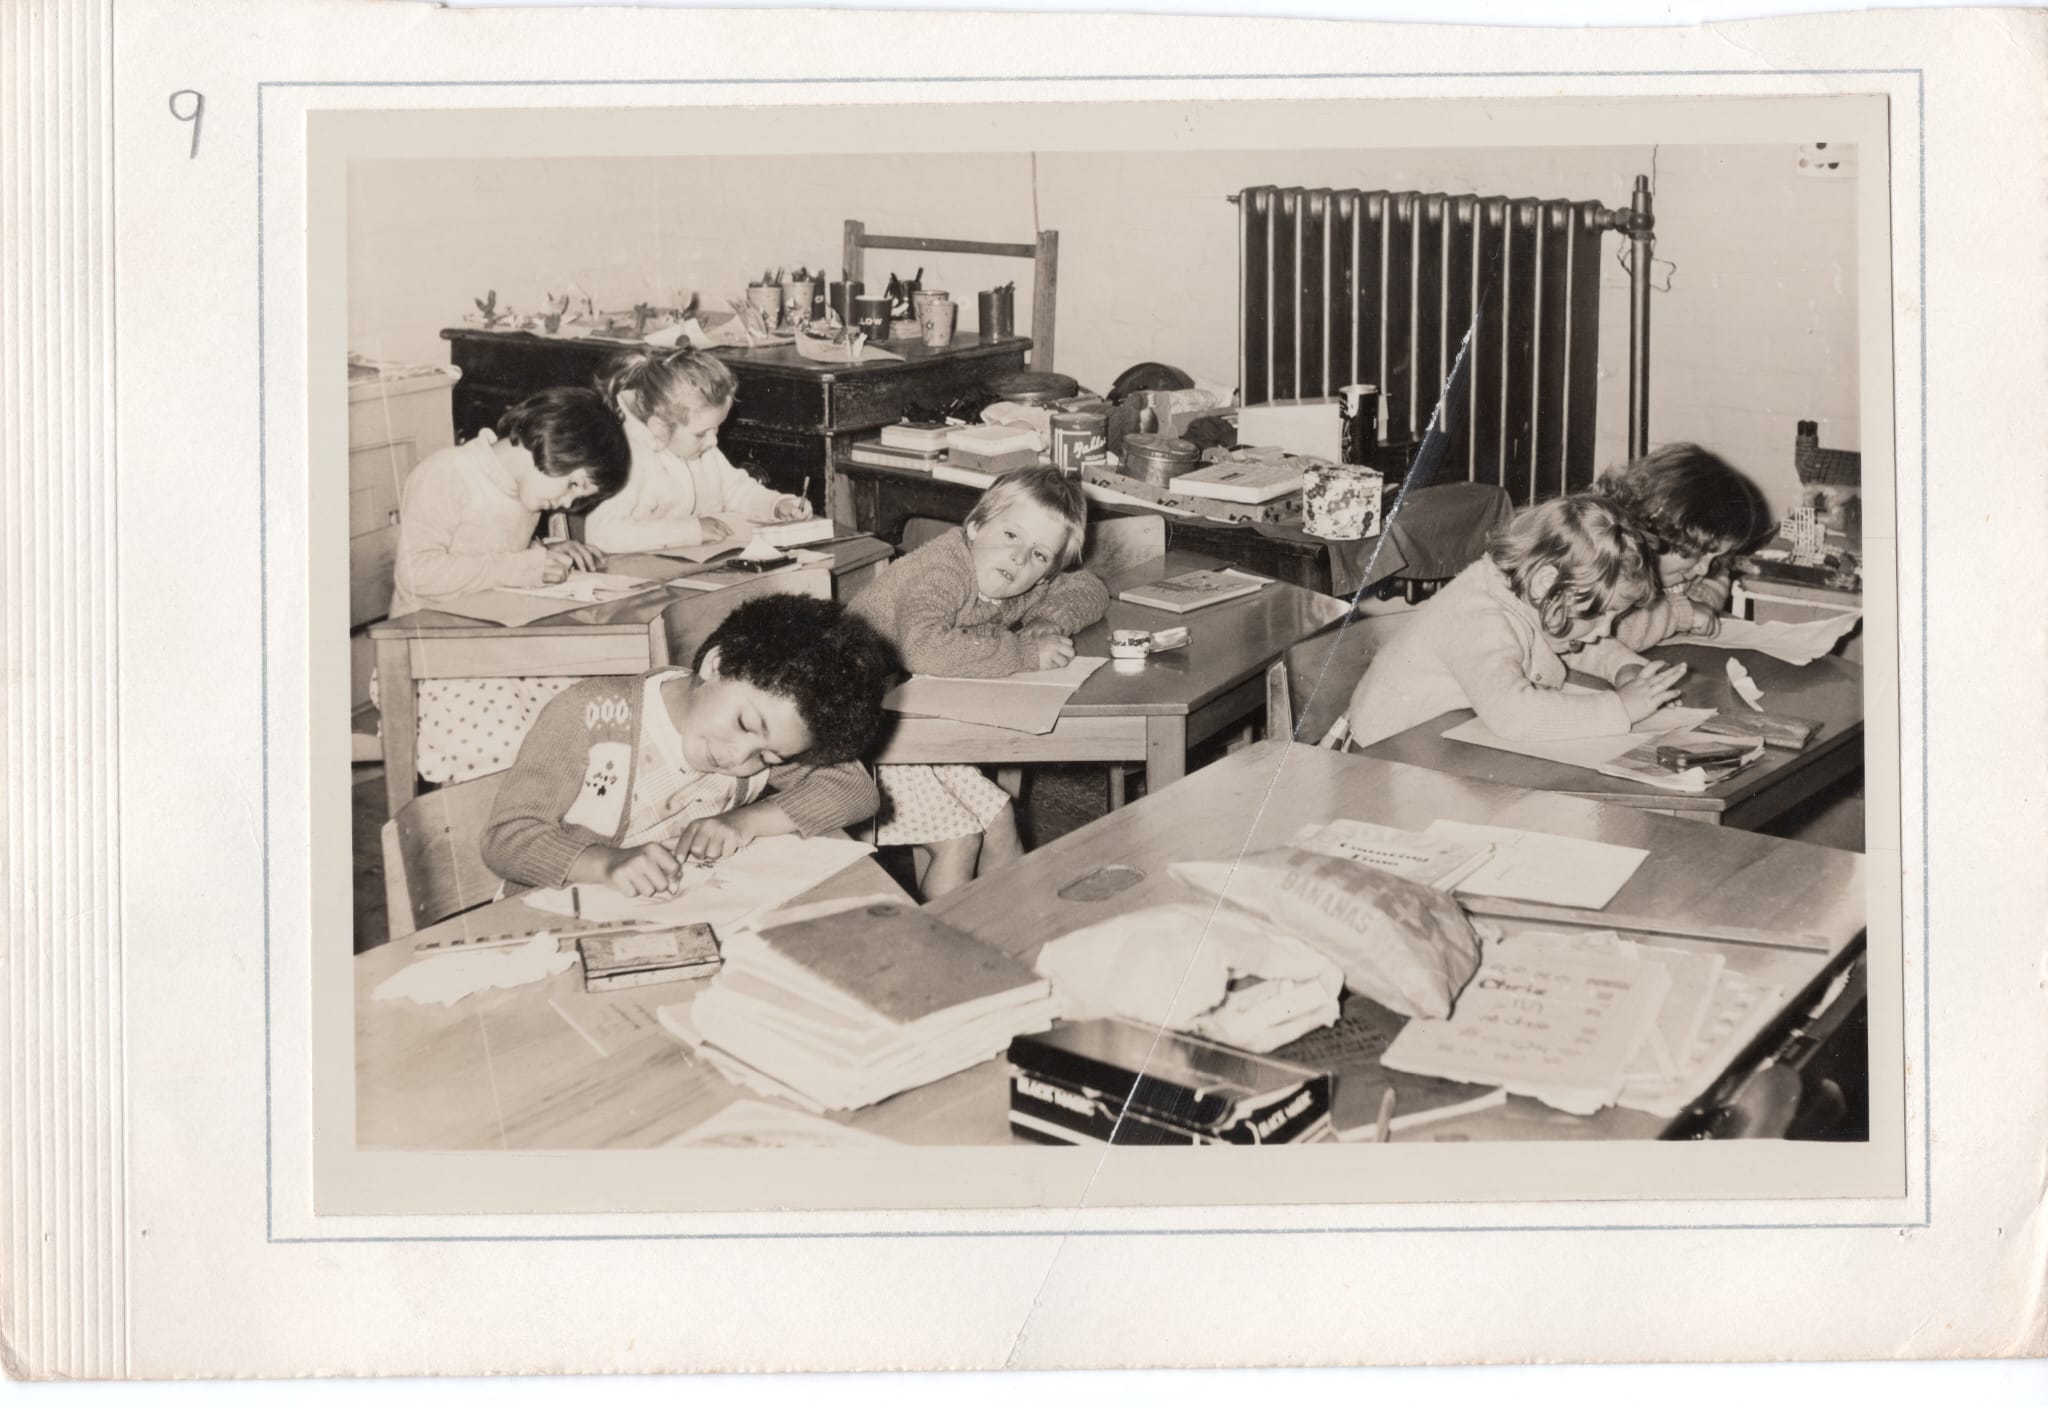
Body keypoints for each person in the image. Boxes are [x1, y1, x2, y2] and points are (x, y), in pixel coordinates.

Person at [481, 593, 895, 896]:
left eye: (769, 756)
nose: (738, 757)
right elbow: (506, 840)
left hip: (661, 912)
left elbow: (856, 790)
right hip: (550, 913)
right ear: (717, 664)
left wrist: (744, 822)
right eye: (744, 724)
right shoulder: (590, 713)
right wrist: (606, 864)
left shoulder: (766, 734)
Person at [849, 468, 1108, 898]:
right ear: (974, 526)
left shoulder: (1019, 582)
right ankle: (944, 939)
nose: (1019, 559)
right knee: (962, 838)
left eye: (1039, 555)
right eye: (1011, 535)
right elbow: (923, 649)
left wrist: (1049, 620)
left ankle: (1012, 925)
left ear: (1047, 572)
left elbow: (1090, 586)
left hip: (910, 727)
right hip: (854, 739)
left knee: (1000, 820)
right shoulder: (944, 568)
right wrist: (1025, 653)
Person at [386, 387, 631, 785]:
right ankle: (484, 811)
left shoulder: (519, 487)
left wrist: (546, 550)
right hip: (429, 655)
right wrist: (524, 566)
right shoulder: (448, 473)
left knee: (590, 707)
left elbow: (489, 552)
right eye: (573, 485)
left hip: (493, 647)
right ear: (553, 445)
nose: (568, 504)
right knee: (507, 740)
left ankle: (547, 808)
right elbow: (417, 574)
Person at [1336, 494, 1688, 751]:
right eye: (1598, 613)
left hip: (1443, 745)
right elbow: (1513, 714)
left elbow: (1568, 642)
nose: (1606, 629)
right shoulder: (1477, 616)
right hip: (1381, 761)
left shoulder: (1527, 595)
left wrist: (1623, 668)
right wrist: (1621, 708)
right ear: (1546, 583)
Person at [584, 347, 811, 553]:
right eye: (701, 433)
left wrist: (776, 505)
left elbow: (737, 491)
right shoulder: (627, 460)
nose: (713, 441)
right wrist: (691, 530)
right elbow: (602, 534)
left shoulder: (702, 450)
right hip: (639, 575)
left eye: (717, 428)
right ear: (659, 427)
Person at [1598, 443, 1772, 650]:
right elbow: (1614, 631)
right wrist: (1681, 613)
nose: (1703, 569)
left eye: (1715, 557)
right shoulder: (1606, 562)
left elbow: (1717, 575)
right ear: (1656, 529)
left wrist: (1703, 600)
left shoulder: (1686, 568)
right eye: (1701, 553)